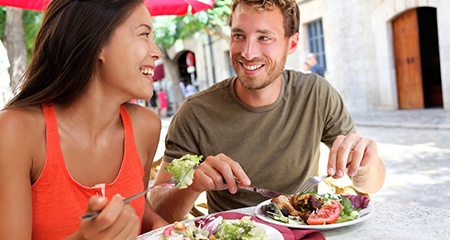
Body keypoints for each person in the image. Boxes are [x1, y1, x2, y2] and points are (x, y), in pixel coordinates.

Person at [149, 0, 386, 223]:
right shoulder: (195, 112)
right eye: (238, 36)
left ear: (291, 43)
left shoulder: (316, 94)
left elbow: (372, 185)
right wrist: (193, 185)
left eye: (264, 38)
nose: (248, 52)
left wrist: (365, 164)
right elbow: (158, 210)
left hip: (302, 232)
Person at [0, 0, 169, 239]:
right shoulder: (15, 132)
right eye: (144, 35)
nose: (157, 52)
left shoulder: (146, 127)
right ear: (97, 43)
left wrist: (162, 227)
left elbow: (139, 209)